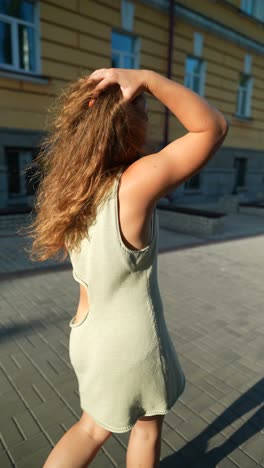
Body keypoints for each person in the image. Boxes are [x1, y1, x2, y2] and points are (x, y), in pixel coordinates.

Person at [23, 68, 228, 468]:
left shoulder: (74, 189)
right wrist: (148, 78)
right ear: (129, 123)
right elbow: (212, 128)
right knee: (146, 428)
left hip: (85, 336)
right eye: (146, 109)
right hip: (131, 342)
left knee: (88, 429)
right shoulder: (133, 185)